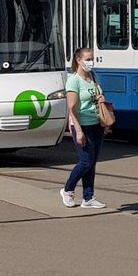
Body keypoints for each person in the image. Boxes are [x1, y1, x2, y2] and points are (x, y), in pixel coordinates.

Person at [60, 47, 107, 209]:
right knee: (85, 162)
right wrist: (78, 131)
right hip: (81, 125)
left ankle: (88, 197)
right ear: (78, 61)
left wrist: (101, 98)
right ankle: (67, 190)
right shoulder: (74, 80)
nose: (90, 62)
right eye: (87, 59)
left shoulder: (93, 77)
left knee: (92, 162)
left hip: (96, 124)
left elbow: (97, 96)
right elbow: (72, 108)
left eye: (92, 59)